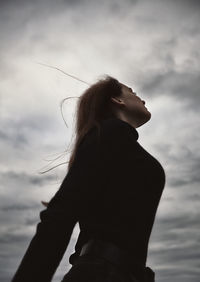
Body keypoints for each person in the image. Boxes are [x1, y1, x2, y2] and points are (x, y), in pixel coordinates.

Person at [11, 75, 166, 282]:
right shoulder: (110, 132)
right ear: (117, 100)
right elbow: (60, 214)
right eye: (133, 93)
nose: (142, 99)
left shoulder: (116, 141)